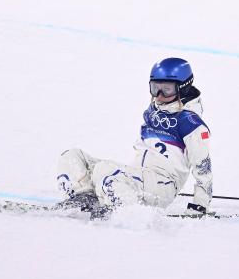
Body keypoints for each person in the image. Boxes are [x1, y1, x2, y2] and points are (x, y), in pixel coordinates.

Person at [55, 57, 213, 219]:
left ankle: (121, 209)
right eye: (154, 88)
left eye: (166, 89)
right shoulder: (157, 108)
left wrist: (200, 206)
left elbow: (203, 169)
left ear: (184, 88)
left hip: (163, 185)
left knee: (105, 169)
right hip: (139, 177)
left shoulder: (191, 124)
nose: (159, 95)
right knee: (72, 157)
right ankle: (85, 198)